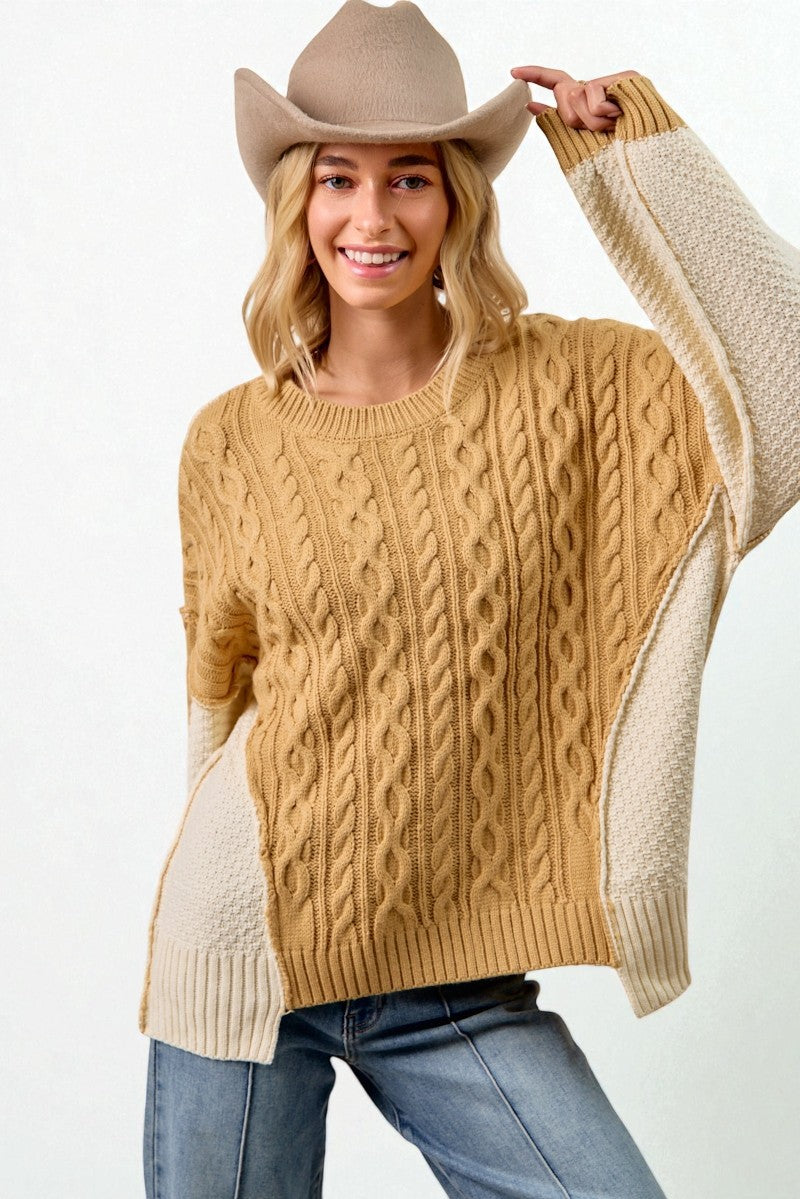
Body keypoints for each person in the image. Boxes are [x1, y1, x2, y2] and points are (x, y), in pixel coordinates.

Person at [138, 2, 800, 1196]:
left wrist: (627, 152)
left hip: (451, 974)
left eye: (410, 177)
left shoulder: (576, 388)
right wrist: (209, 933)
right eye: (337, 177)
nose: (371, 215)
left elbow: (785, 388)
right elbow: (215, 705)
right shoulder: (229, 440)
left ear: (456, 202)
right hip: (249, 952)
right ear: (298, 203)